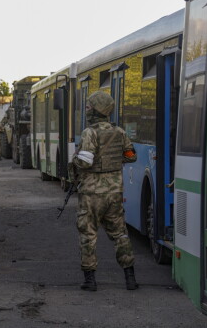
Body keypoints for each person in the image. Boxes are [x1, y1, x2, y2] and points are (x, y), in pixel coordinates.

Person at [72, 91, 138, 291]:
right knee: (120, 234)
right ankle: (130, 279)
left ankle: (90, 280)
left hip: (92, 194)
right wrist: (115, 161)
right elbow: (131, 155)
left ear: (97, 109)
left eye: (89, 106)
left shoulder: (89, 132)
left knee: (88, 235)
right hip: (114, 192)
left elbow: (84, 161)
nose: (87, 110)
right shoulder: (119, 132)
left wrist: (73, 160)